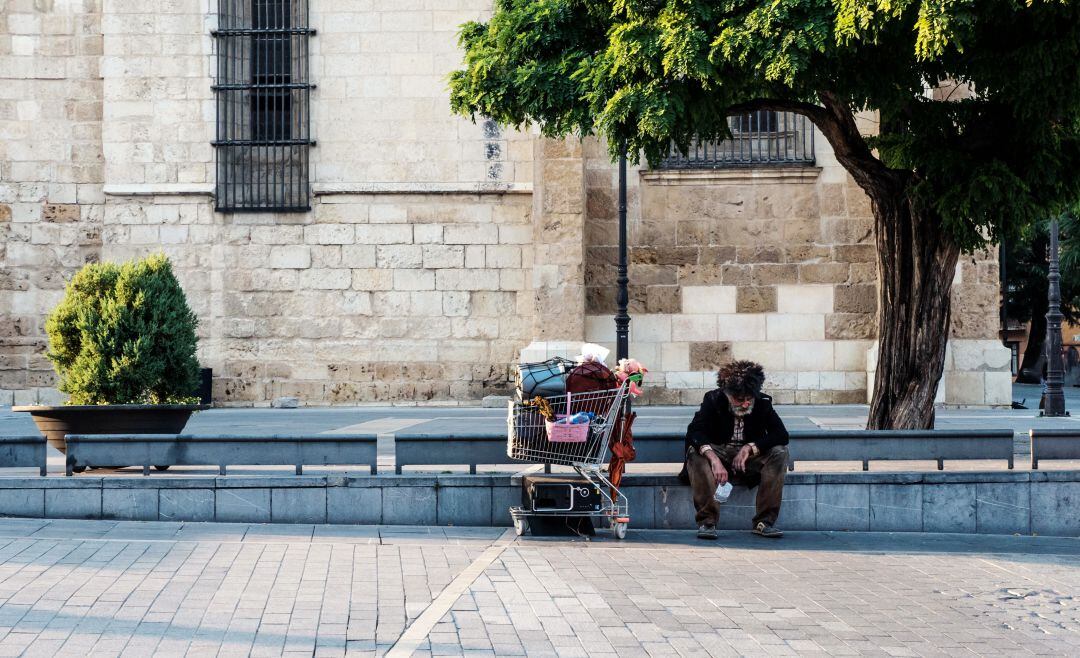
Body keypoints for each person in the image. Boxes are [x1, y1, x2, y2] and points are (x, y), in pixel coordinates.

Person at [680, 360, 789, 540]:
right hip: (719, 452)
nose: (745, 404)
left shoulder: (762, 402)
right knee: (695, 454)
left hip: (748, 459)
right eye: (739, 399)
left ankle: (765, 521)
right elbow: (695, 432)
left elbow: (781, 434)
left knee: (780, 452)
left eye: (749, 398)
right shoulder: (713, 400)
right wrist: (714, 460)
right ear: (727, 393)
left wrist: (750, 448)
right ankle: (707, 521)